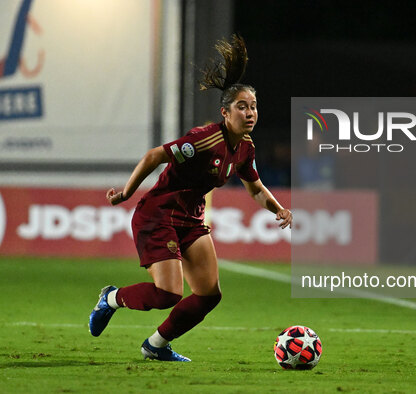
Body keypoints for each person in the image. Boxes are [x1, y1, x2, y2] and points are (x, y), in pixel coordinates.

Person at [88, 35, 292, 361]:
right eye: (242, 106)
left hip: (191, 218)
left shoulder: (245, 148)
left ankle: (156, 346)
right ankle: (111, 299)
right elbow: (155, 155)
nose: (250, 112)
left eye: (253, 106)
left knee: (209, 294)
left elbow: (254, 187)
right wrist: (127, 192)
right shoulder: (205, 139)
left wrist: (278, 209)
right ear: (225, 112)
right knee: (167, 293)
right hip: (159, 213)